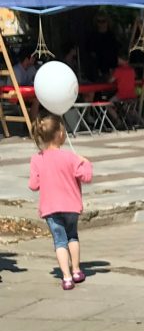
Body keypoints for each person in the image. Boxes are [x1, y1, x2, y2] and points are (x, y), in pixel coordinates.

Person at [28, 114, 93, 291]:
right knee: (72, 236)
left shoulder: (37, 159)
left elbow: (33, 185)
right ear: (60, 135)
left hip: (50, 208)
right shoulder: (71, 157)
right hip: (71, 206)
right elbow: (86, 177)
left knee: (59, 241)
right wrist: (86, 163)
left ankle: (66, 277)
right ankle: (77, 270)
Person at [107, 51, 140, 128]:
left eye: (119, 59)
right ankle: (140, 120)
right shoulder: (132, 70)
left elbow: (110, 81)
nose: (118, 61)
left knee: (108, 105)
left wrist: (111, 74)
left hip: (122, 96)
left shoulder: (118, 70)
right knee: (127, 107)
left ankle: (118, 120)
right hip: (132, 95)